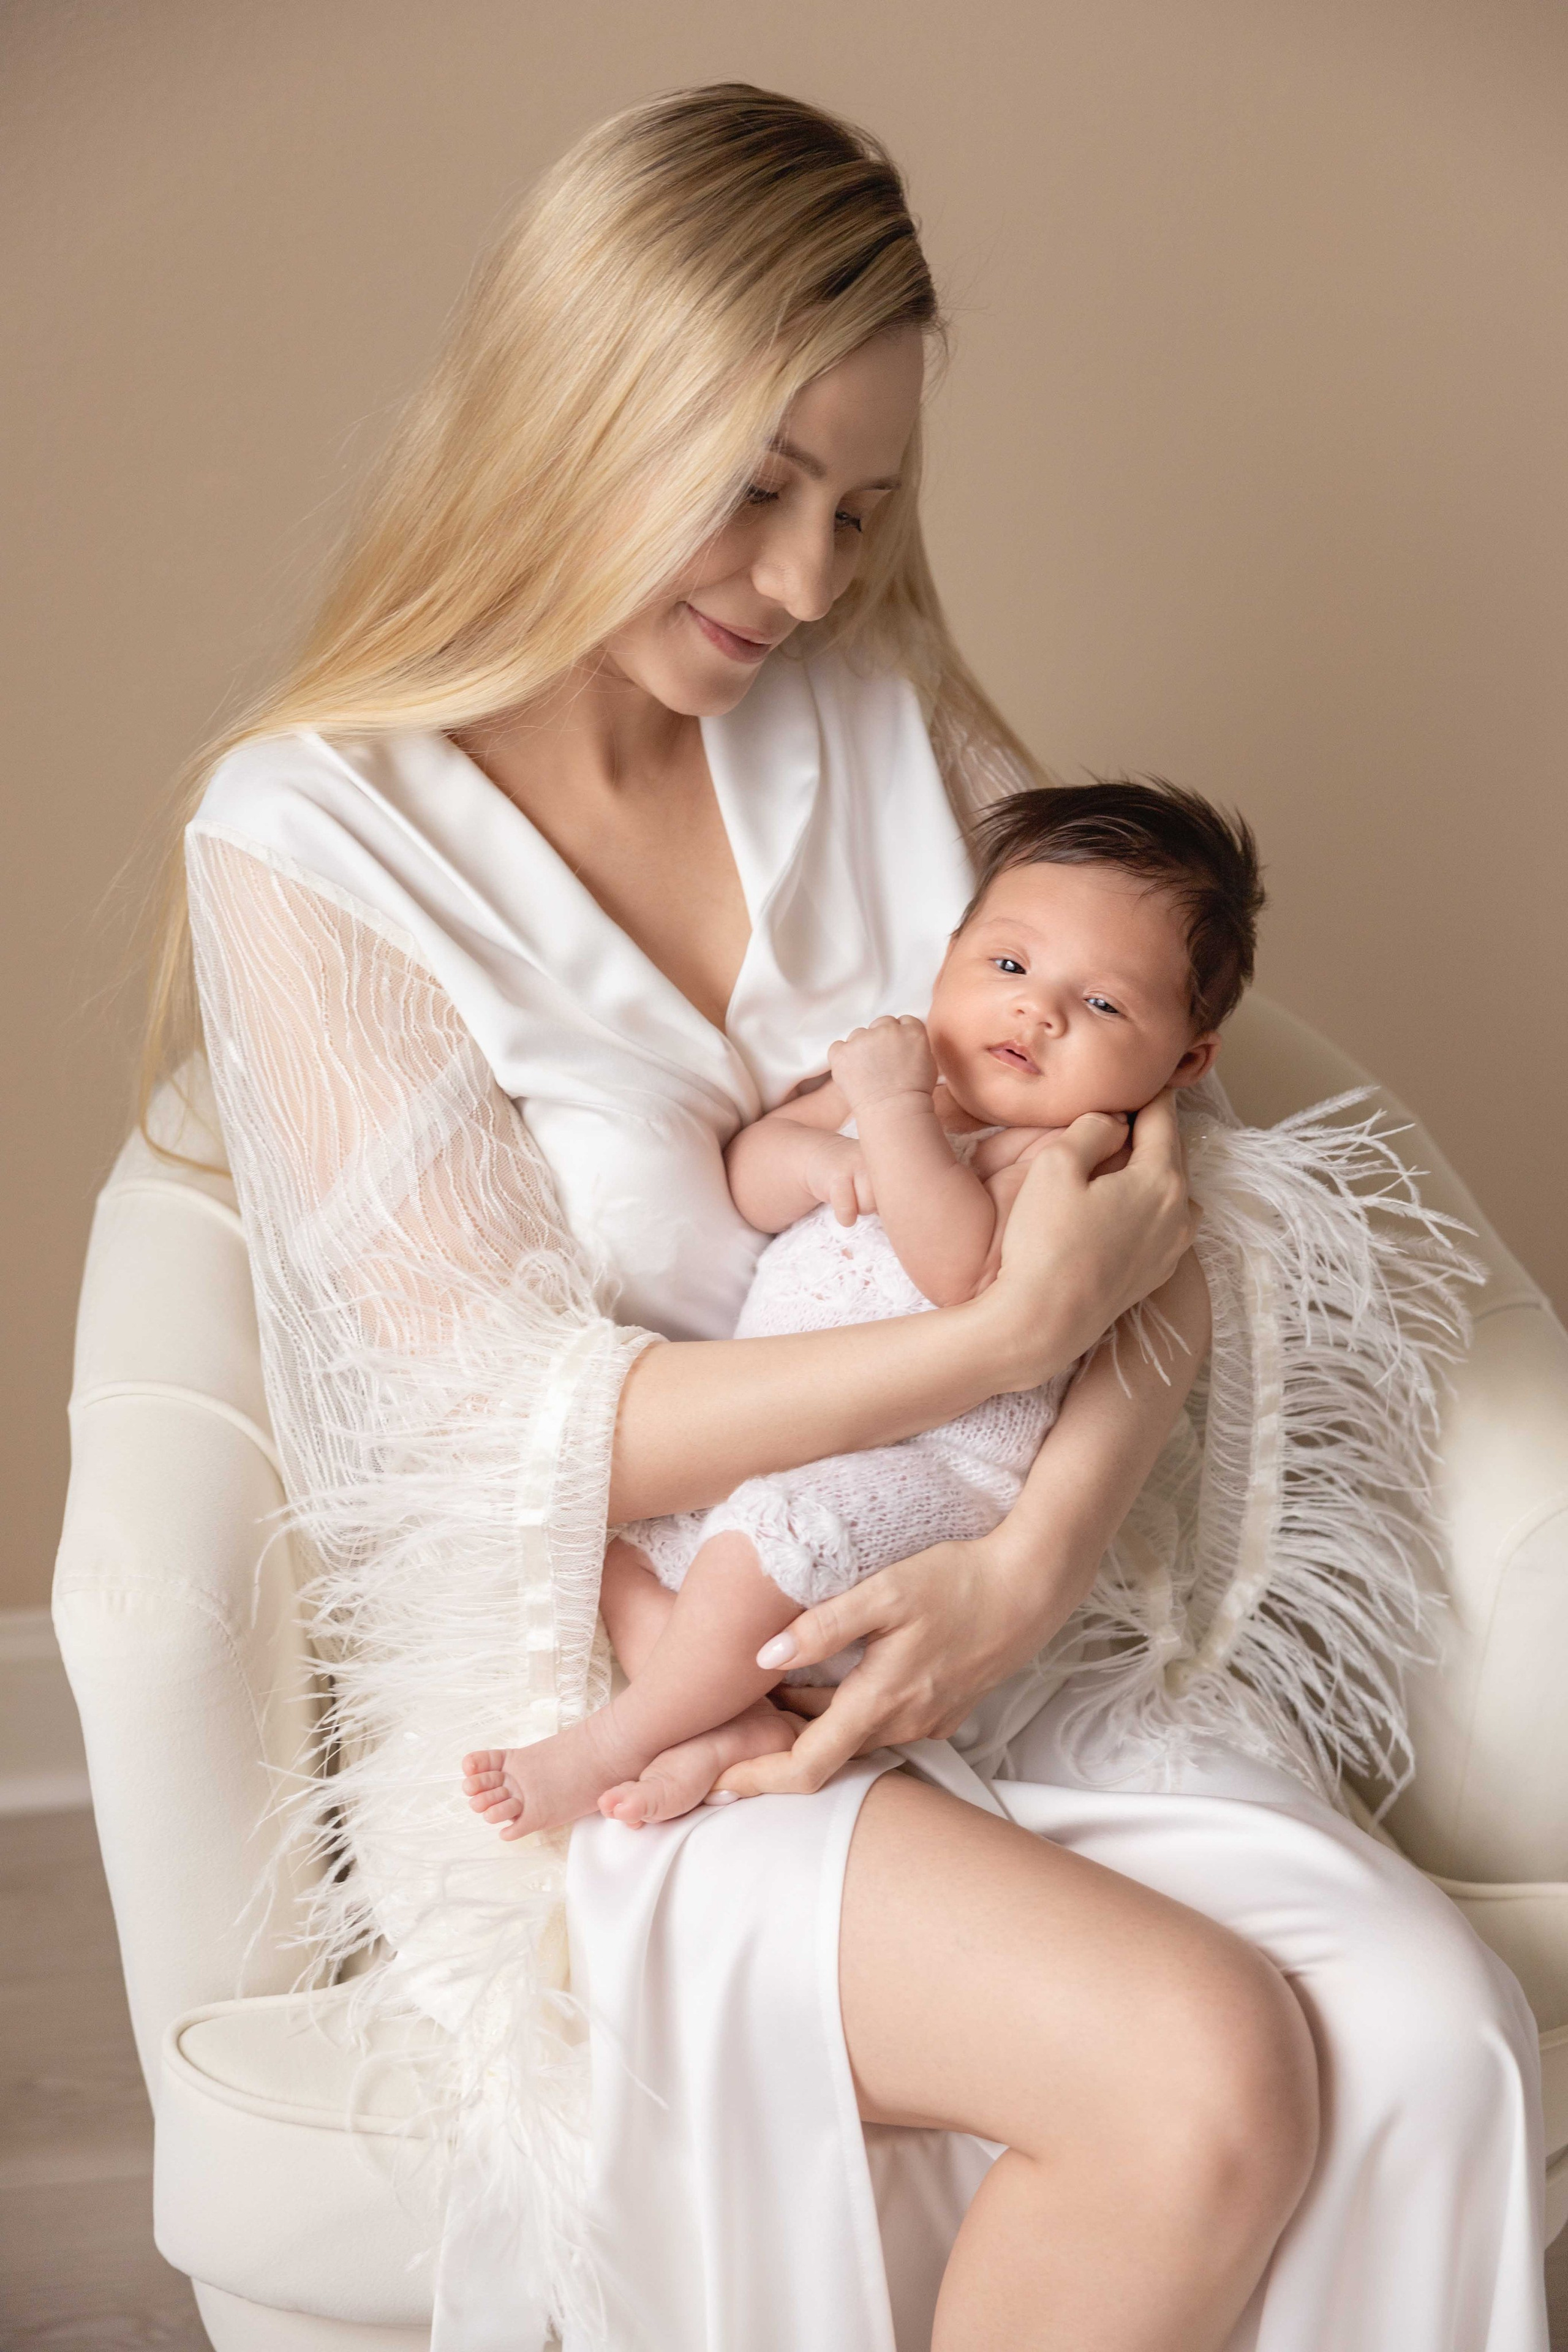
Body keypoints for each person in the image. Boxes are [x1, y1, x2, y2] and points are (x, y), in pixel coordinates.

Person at [149, 83, 1546, 2352]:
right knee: (1200, 2076)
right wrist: (986, 1354)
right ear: (572, 411)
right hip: (639, 1690)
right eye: (756, 490)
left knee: (1428, 2035)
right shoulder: (310, 835)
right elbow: (493, 1430)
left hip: (995, 1636)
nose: (805, 579)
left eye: (863, 505)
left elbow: (1172, 1200)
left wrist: (1032, 1559)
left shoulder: (871, 714)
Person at [462, 781, 1259, 1838]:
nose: (1038, 1012)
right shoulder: (914, 1079)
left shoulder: (1073, 1165)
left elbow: (963, 1278)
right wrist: (829, 1150)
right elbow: (750, 1179)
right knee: (615, 1544)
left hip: (930, 1467)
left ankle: (621, 1740)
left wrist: (887, 1119)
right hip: (791, 1428)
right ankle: (732, 1727)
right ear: (950, 954)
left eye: (1103, 1005)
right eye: (1009, 965)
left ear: (1185, 1061)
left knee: (755, 1554)